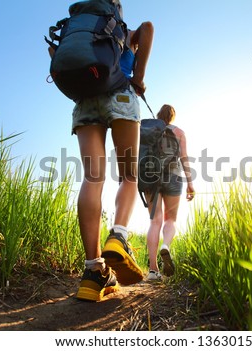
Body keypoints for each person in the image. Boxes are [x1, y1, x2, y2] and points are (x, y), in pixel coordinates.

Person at [72, 20, 154, 301]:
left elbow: (57, 61)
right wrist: (139, 76)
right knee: (129, 176)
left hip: (85, 100)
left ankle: (94, 272)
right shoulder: (121, 32)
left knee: (92, 177)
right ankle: (118, 237)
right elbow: (148, 27)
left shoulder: (77, 31)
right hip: (121, 94)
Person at [145, 104, 195, 281]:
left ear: (158, 115)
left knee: (154, 222)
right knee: (170, 220)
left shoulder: (149, 129)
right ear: (172, 116)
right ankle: (165, 245)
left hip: (150, 177)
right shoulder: (179, 132)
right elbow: (184, 158)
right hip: (173, 177)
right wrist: (190, 183)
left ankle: (152, 271)